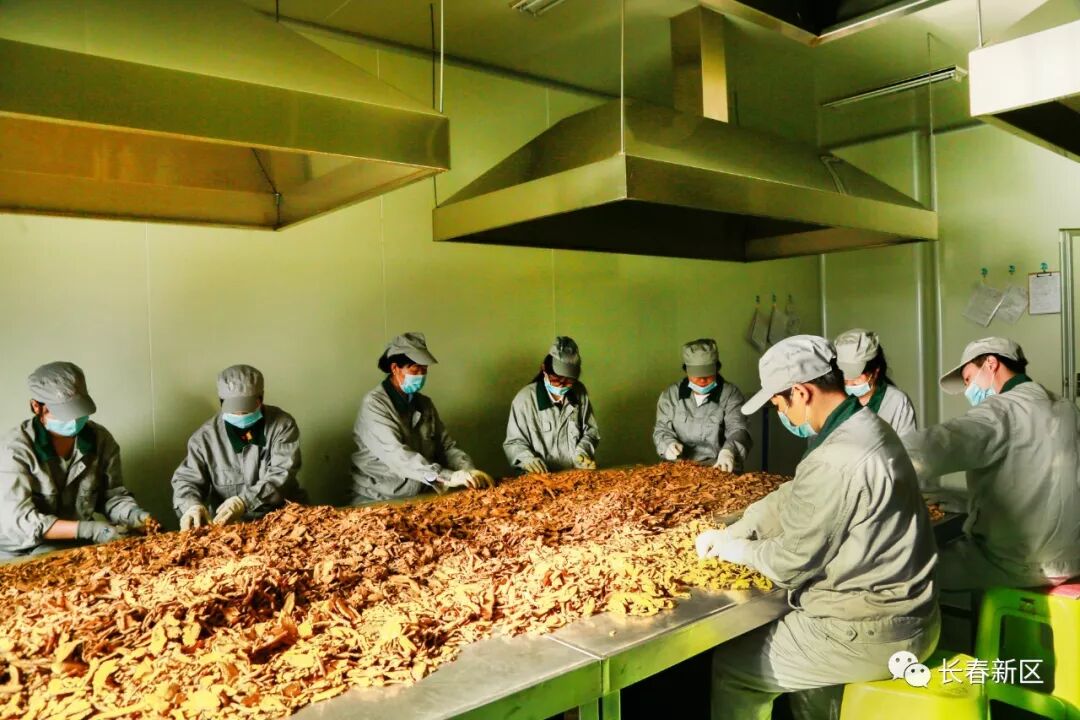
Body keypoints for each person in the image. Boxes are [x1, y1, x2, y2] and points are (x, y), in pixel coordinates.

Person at [695, 336, 938, 720]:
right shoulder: (865, 426)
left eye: (778, 404)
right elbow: (796, 491)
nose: (781, 413)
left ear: (800, 392)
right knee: (803, 666)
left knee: (734, 668)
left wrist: (736, 551)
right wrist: (743, 527)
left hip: (871, 630)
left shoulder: (836, 456)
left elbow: (791, 562)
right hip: (910, 612)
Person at [903, 337, 1080, 590]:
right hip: (1072, 558)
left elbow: (938, 445)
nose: (968, 390)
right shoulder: (1067, 408)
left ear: (991, 364)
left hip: (1016, 564)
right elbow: (1037, 487)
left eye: (968, 379)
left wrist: (872, 453)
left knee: (906, 572)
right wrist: (956, 500)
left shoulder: (1002, 409)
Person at [0, 362, 154, 560]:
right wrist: (90, 530)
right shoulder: (14, 450)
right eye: (63, 413)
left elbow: (112, 496)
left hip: (72, 545)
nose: (73, 420)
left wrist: (136, 516)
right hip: (18, 550)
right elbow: (20, 521)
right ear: (36, 406)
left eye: (77, 411)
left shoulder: (101, 440)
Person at [351, 332, 494, 503]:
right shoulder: (374, 405)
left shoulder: (424, 404)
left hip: (419, 494)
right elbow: (397, 455)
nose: (420, 375)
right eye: (415, 369)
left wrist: (467, 471)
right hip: (379, 497)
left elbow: (446, 446)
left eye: (424, 369)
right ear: (395, 368)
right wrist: (447, 476)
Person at [171, 365, 303, 529]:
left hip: (283, 519)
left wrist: (245, 501)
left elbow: (283, 473)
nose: (240, 414)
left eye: (247, 407)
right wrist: (191, 506)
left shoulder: (282, 425)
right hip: (230, 526)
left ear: (261, 399)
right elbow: (187, 479)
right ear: (221, 402)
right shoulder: (204, 438)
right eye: (233, 408)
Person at [504, 336, 599, 473]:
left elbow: (590, 431)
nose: (562, 386)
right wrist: (526, 459)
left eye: (569, 382)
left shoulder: (579, 392)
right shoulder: (524, 400)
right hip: (541, 477)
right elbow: (514, 442)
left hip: (575, 474)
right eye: (557, 380)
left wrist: (582, 453)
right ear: (544, 369)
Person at [653, 338, 751, 471]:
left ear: (717, 369)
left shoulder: (730, 394)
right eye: (697, 375)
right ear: (686, 371)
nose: (702, 380)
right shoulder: (671, 395)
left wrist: (729, 451)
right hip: (680, 467)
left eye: (708, 374)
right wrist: (668, 444)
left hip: (718, 466)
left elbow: (738, 429)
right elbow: (662, 429)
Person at [834, 328, 917, 436]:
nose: (849, 384)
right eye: (844, 378)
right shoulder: (832, 398)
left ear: (875, 372)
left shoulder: (896, 402)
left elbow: (908, 444)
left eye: (855, 378)